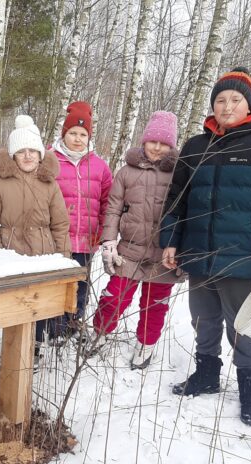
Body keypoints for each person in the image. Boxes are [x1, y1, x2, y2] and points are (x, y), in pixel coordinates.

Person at [159, 67, 251, 426]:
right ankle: (207, 374)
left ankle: (250, 389)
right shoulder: (195, 146)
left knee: (243, 325)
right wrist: (171, 240)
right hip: (199, 251)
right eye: (220, 100)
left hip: (243, 255)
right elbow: (177, 199)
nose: (227, 106)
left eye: (236, 99)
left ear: (250, 105)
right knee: (203, 318)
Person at [87, 111, 183, 370]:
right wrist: (109, 241)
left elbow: (187, 211)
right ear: (144, 140)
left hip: (164, 254)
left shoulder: (180, 173)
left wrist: (185, 249)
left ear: (171, 146)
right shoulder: (126, 172)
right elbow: (113, 208)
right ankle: (100, 332)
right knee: (114, 297)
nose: (157, 147)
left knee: (155, 304)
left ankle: (146, 343)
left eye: (164, 143)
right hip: (129, 250)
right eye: (153, 141)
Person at [0, 115, 71, 363]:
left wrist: (63, 258)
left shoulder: (50, 184)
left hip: (43, 255)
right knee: (15, 305)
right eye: (21, 151)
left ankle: (36, 347)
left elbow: (60, 224)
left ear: (40, 154)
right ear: (13, 156)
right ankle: (13, 351)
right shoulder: (0, 183)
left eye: (32, 150)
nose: (27, 156)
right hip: (13, 256)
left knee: (38, 305)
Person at [52, 101, 113, 336]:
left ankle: (72, 324)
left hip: (87, 240)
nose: (77, 139)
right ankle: (53, 328)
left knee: (80, 286)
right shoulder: (50, 160)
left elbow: (108, 202)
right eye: (73, 133)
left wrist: (103, 232)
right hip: (58, 239)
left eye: (83, 134)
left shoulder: (99, 167)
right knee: (56, 284)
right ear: (64, 134)